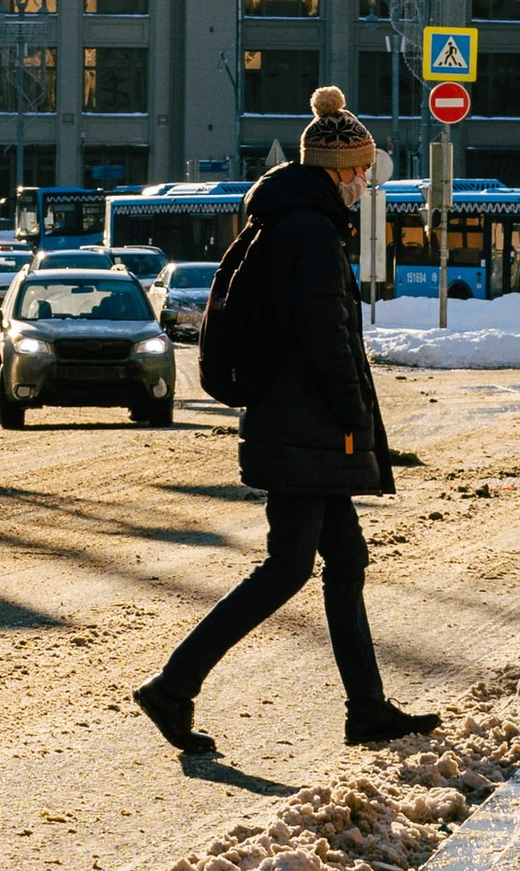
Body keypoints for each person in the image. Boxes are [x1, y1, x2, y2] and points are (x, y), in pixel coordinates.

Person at [133, 87, 439, 758]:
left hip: (298, 422)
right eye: (361, 171)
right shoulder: (312, 233)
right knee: (287, 567)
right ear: (338, 171)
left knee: (344, 561)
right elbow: (325, 337)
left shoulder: (289, 224)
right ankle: (173, 687)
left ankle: (367, 709)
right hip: (308, 428)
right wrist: (355, 419)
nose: (365, 183)